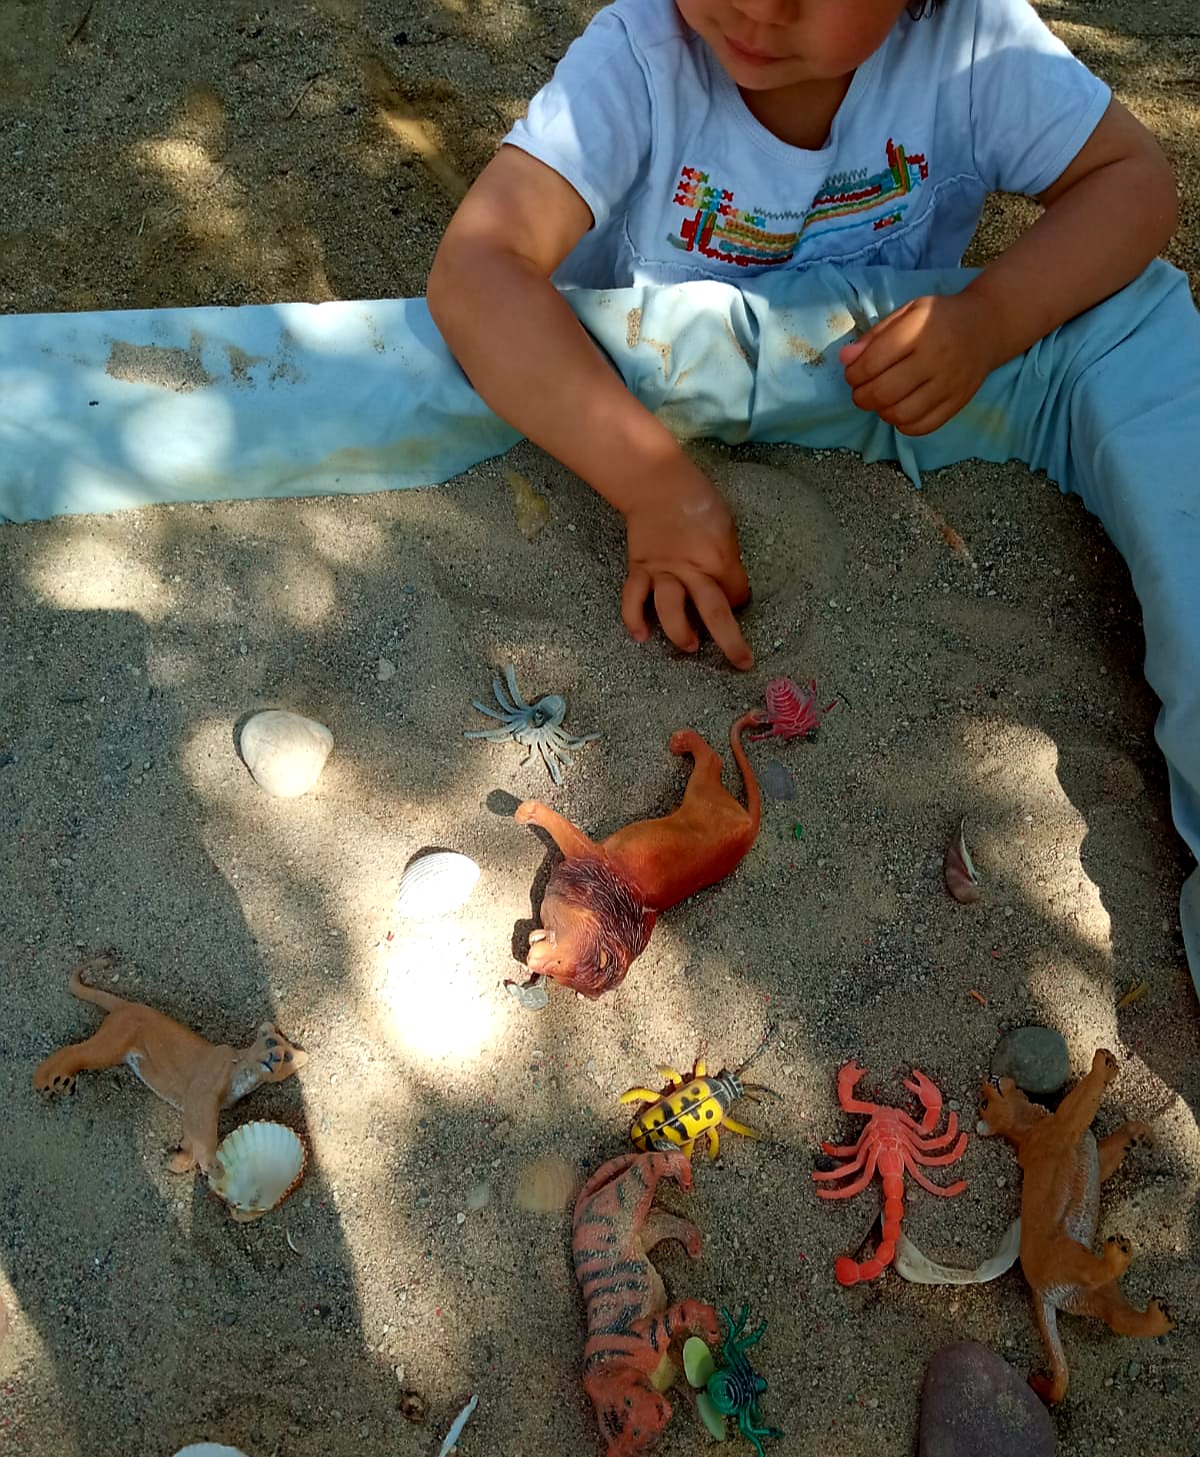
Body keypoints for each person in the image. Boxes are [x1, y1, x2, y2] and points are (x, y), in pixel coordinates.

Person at [427, 0, 1177, 671]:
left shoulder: (974, 45)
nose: (760, 8)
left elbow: (1133, 181)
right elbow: (475, 270)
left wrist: (991, 319)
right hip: (621, 406)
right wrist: (651, 484)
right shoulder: (640, 57)